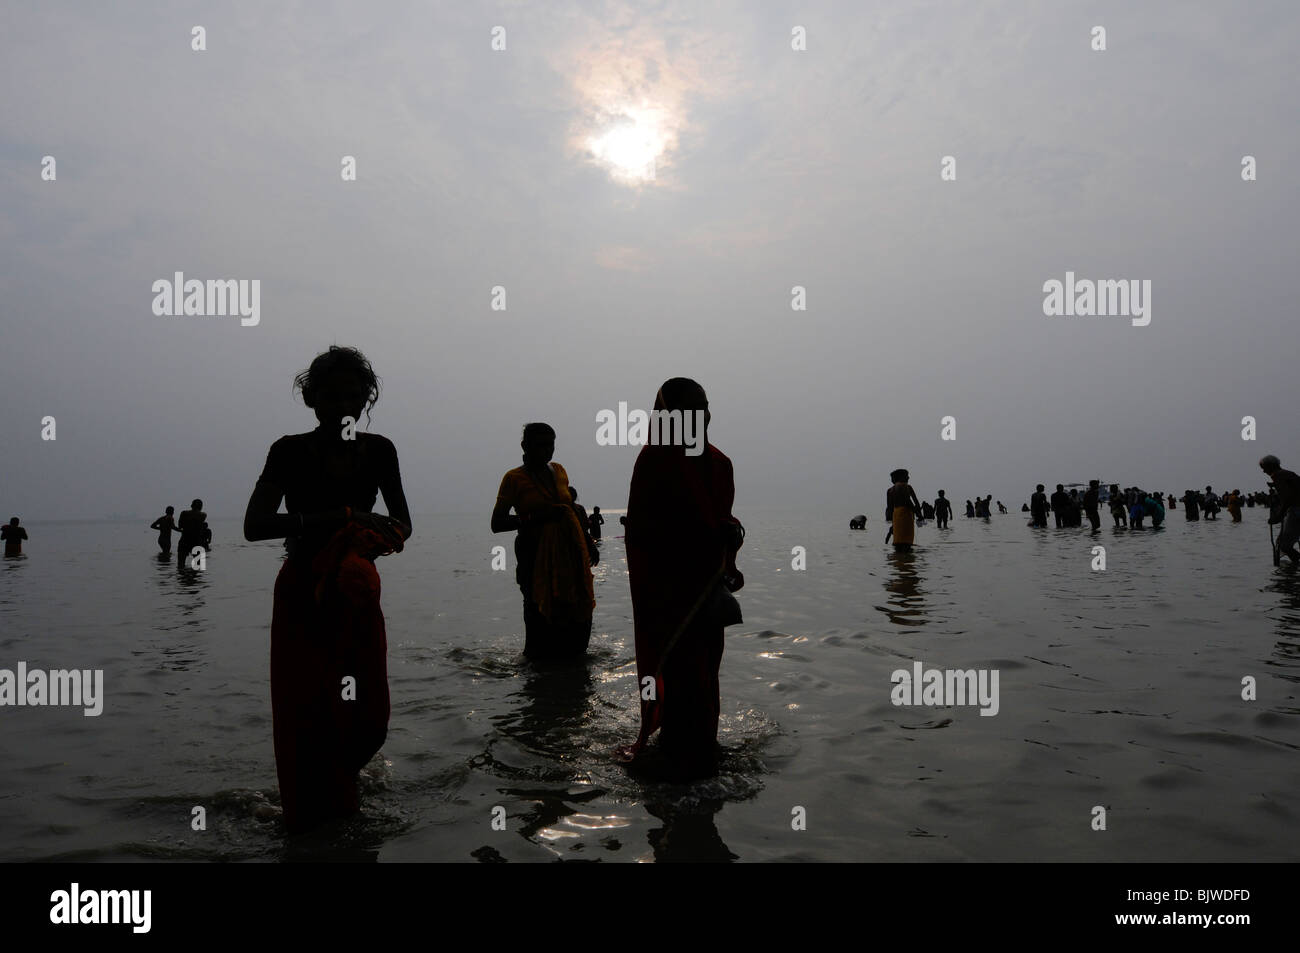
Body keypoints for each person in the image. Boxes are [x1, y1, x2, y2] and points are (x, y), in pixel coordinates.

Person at [243, 345, 412, 834]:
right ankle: (311, 818)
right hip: (301, 592)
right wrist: (340, 517)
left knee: (369, 714)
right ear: (311, 400)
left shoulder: (381, 451)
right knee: (306, 711)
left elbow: (403, 522)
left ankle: (339, 789)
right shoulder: (289, 451)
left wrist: (372, 538)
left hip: (355, 591)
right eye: (330, 396)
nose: (342, 405)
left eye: (352, 396)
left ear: (366, 400)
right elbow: (255, 525)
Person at [624, 378, 744, 779]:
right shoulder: (654, 463)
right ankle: (677, 754)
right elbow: (641, 532)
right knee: (680, 672)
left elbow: (722, 518)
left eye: (705, 407)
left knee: (707, 671)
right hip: (668, 593)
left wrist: (730, 542)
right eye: (692, 408)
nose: (703, 416)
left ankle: (703, 748)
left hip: (707, 589)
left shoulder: (719, 464)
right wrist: (700, 536)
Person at [493, 423, 597, 662]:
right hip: (533, 557)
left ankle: (572, 677)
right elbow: (497, 523)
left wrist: (588, 542)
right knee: (538, 615)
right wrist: (535, 518)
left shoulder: (559, 471)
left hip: (569, 557)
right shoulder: (513, 478)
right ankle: (538, 680)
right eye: (540, 445)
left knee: (576, 613)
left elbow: (569, 509)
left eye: (551, 444)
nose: (547, 450)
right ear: (524, 446)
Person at [1260, 455, 1300, 565]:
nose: (1263, 471)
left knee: (1284, 545)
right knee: (1282, 543)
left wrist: (1279, 516)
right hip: (1295, 510)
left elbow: (1288, 497)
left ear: (1271, 466)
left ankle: (1295, 567)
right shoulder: (1287, 474)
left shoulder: (1277, 475)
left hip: (1296, 511)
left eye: (1264, 468)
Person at [887, 469, 923, 551]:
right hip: (906, 514)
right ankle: (907, 560)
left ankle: (898, 560)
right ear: (900, 477)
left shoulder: (890, 490)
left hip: (896, 515)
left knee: (898, 541)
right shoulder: (906, 486)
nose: (908, 477)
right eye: (907, 476)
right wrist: (918, 514)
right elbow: (912, 501)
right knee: (907, 541)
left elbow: (889, 508)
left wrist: (892, 523)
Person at [175, 499, 208, 569]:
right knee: (198, 567)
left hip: (184, 540)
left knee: (180, 566)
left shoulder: (184, 513)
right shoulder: (203, 515)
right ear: (201, 507)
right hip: (197, 541)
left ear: (191, 505)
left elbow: (180, 526)